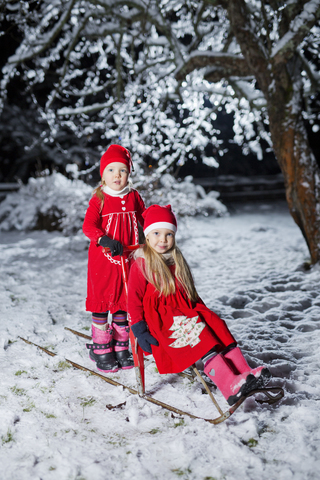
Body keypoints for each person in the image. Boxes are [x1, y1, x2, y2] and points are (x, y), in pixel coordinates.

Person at [128, 204, 271, 406]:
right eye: (157, 233)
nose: (163, 239)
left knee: (216, 326)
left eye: (169, 234)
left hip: (185, 309)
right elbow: (133, 300)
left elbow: (189, 293)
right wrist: (139, 329)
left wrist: (205, 313)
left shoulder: (176, 259)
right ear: (147, 235)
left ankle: (244, 374)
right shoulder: (141, 264)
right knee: (200, 335)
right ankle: (229, 384)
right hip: (163, 320)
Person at [83, 144, 145, 373]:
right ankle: (100, 348)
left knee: (123, 303)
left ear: (128, 173)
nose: (117, 175)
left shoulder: (134, 196)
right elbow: (88, 226)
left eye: (122, 170)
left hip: (127, 260)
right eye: (111, 170)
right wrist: (104, 240)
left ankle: (120, 346)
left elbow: (144, 218)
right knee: (102, 304)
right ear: (103, 174)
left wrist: (153, 231)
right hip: (103, 262)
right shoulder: (99, 198)